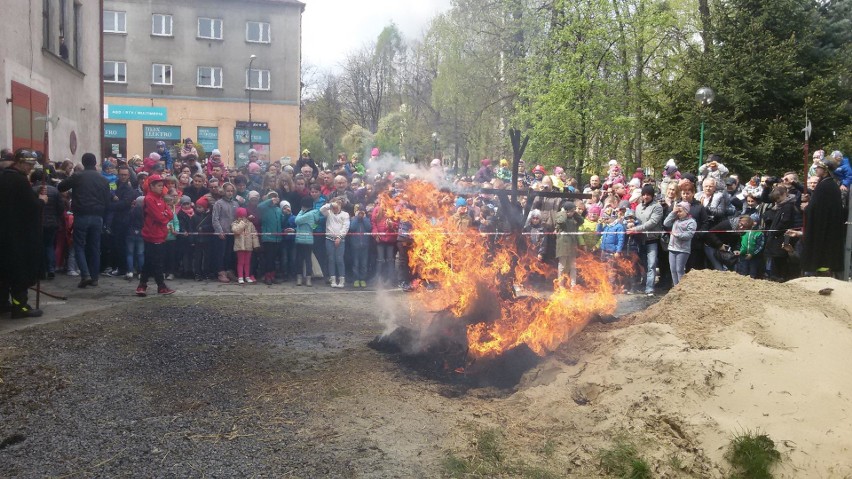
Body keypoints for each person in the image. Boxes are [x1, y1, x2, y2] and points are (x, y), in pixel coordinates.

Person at [0, 149, 45, 318]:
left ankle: (3, 303)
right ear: (19, 162)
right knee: (20, 272)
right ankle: (20, 307)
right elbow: (30, 207)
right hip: (18, 235)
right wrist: (41, 201)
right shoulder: (19, 180)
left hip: (4, 232)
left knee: (4, 272)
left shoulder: (3, 177)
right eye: (28, 164)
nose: (30, 168)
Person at [57, 152, 111, 288]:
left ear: (83, 162)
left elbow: (61, 187)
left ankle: (85, 275)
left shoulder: (78, 176)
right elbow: (107, 200)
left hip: (81, 214)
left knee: (79, 245)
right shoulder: (103, 179)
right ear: (95, 163)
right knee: (94, 247)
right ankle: (94, 278)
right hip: (98, 216)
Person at [799, 154, 845, 275]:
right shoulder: (828, 184)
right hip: (827, 227)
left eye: (818, 167)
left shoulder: (825, 185)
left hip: (824, 229)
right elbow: (820, 204)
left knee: (822, 254)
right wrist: (810, 199)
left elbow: (818, 209)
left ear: (825, 170)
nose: (815, 169)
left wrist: (807, 207)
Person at [135, 175, 175, 296]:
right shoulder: (149, 199)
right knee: (157, 262)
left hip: (160, 234)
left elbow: (170, 215)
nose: (161, 187)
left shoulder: (160, 199)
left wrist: (164, 214)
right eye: (158, 185)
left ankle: (142, 285)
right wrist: (164, 214)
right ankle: (160, 286)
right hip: (152, 234)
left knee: (150, 261)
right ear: (151, 186)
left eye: (161, 185)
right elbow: (160, 218)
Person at [628, 184, 663, 296]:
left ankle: (649, 288)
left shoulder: (657, 207)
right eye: (644, 194)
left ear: (652, 195)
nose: (646, 196)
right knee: (641, 264)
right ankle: (641, 284)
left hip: (652, 239)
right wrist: (630, 223)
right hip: (639, 240)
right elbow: (635, 219)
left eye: (648, 194)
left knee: (652, 264)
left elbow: (652, 222)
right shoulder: (638, 207)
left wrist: (636, 228)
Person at [663, 201, 697, 286]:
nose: (678, 213)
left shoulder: (691, 222)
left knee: (679, 270)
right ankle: (676, 288)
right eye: (677, 211)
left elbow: (689, 235)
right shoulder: (676, 219)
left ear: (686, 211)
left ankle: (682, 289)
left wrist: (677, 235)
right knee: (673, 270)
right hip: (672, 248)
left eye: (680, 211)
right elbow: (666, 223)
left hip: (683, 250)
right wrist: (673, 212)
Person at [321, 197, 351, 288]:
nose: (335, 208)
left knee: (339, 259)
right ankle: (332, 279)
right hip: (329, 239)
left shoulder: (345, 214)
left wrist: (339, 237)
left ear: (340, 205)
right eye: (334, 206)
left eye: (337, 205)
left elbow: (346, 227)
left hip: (340, 240)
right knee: (331, 259)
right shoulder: (328, 213)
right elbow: (321, 209)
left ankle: (342, 279)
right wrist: (330, 205)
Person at [212, 182, 239, 283]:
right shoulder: (218, 203)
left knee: (230, 253)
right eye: (228, 191)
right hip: (221, 233)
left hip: (232, 233)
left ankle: (229, 271)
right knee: (220, 253)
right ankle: (221, 272)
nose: (230, 193)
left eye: (232, 191)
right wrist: (219, 231)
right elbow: (215, 219)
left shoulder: (235, 203)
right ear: (223, 191)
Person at [554, 201, 583, 288]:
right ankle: (561, 285)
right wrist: (564, 212)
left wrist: (575, 213)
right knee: (562, 266)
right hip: (563, 244)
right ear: (566, 211)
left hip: (572, 243)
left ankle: (573, 285)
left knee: (573, 266)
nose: (573, 212)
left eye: (574, 210)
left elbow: (581, 221)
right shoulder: (560, 215)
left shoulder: (574, 216)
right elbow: (561, 221)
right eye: (572, 210)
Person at [294, 196, 322, 286]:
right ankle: (307, 279)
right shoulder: (314, 213)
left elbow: (297, 221)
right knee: (306, 259)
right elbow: (314, 226)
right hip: (308, 239)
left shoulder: (307, 214)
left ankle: (301, 278)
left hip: (302, 240)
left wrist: (301, 211)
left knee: (302, 259)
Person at [257, 192, 283, 285]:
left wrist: (287, 214)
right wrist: (269, 200)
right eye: (272, 197)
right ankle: (267, 276)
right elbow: (259, 206)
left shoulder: (278, 209)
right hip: (268, 237)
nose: (274, 199)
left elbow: (282, 221)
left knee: (274, 258)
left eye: (275, 197)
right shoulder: (264, 209)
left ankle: (272, 276)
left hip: (277, 237)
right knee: (269, 258)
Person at [231, 207, 260, 284]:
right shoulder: (235, 223)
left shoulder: (250, 224)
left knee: (247, 262)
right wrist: (243, 222)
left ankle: (247, 276)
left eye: (244, 216)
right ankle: (240, 277)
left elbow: (254, 234)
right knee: (240, 262)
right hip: (240, 246)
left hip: (248, 246)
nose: (242, 218)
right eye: (241, 216)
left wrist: (256, 245)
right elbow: (236, 230)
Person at [349, 204, 372, 288]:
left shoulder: (366, 219)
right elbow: (352, 228)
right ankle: (356, 279)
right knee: (355, 263)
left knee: (364, 263)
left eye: (361, 212)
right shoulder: (353, 219)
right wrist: (356, 218)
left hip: (365, 245)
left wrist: (364, 218)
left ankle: (362, 279)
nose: (360, 214)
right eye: (358, 212)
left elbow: (369, 227)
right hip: (355, 245)